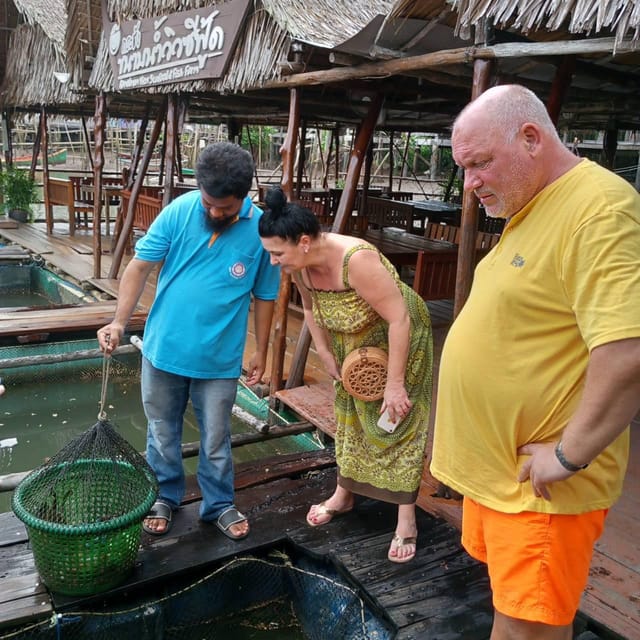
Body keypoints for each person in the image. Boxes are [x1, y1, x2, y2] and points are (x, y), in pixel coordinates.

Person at [430, 84, 640, 639]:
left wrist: (569, 457)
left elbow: (627, 352)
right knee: (517, 616)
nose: (469, 185)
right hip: (506, 483)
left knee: (528, 630)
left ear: (530, 138)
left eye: (479, 165)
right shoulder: (535, 204)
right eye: (464, 168)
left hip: (542, 492)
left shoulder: (599, 208)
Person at [97, 142, 280, 540]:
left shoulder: (261, 229)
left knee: (216, 438)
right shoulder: (180, 211)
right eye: (208, 203)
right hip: (163, 352)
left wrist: (261, 351)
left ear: (246, 195)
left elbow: (266, 296)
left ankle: (218, 504)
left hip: (220, 359)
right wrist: (118, 322)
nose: (214, 213)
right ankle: (165, 494)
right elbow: (139, 267)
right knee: (162, 431)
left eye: (225, 208)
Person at [258, 187, 433, 563]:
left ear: (304, 242)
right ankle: (345, 493)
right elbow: (308, 308)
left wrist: (395, 383)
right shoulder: (300, 266)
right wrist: (323, 350)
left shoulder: (357, 261)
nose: (272, 262)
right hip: (347, 344)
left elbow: (399, 318)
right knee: (350, 418)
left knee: (395, 422)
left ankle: (406, 517)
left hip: (398, 342)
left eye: (277, 253)